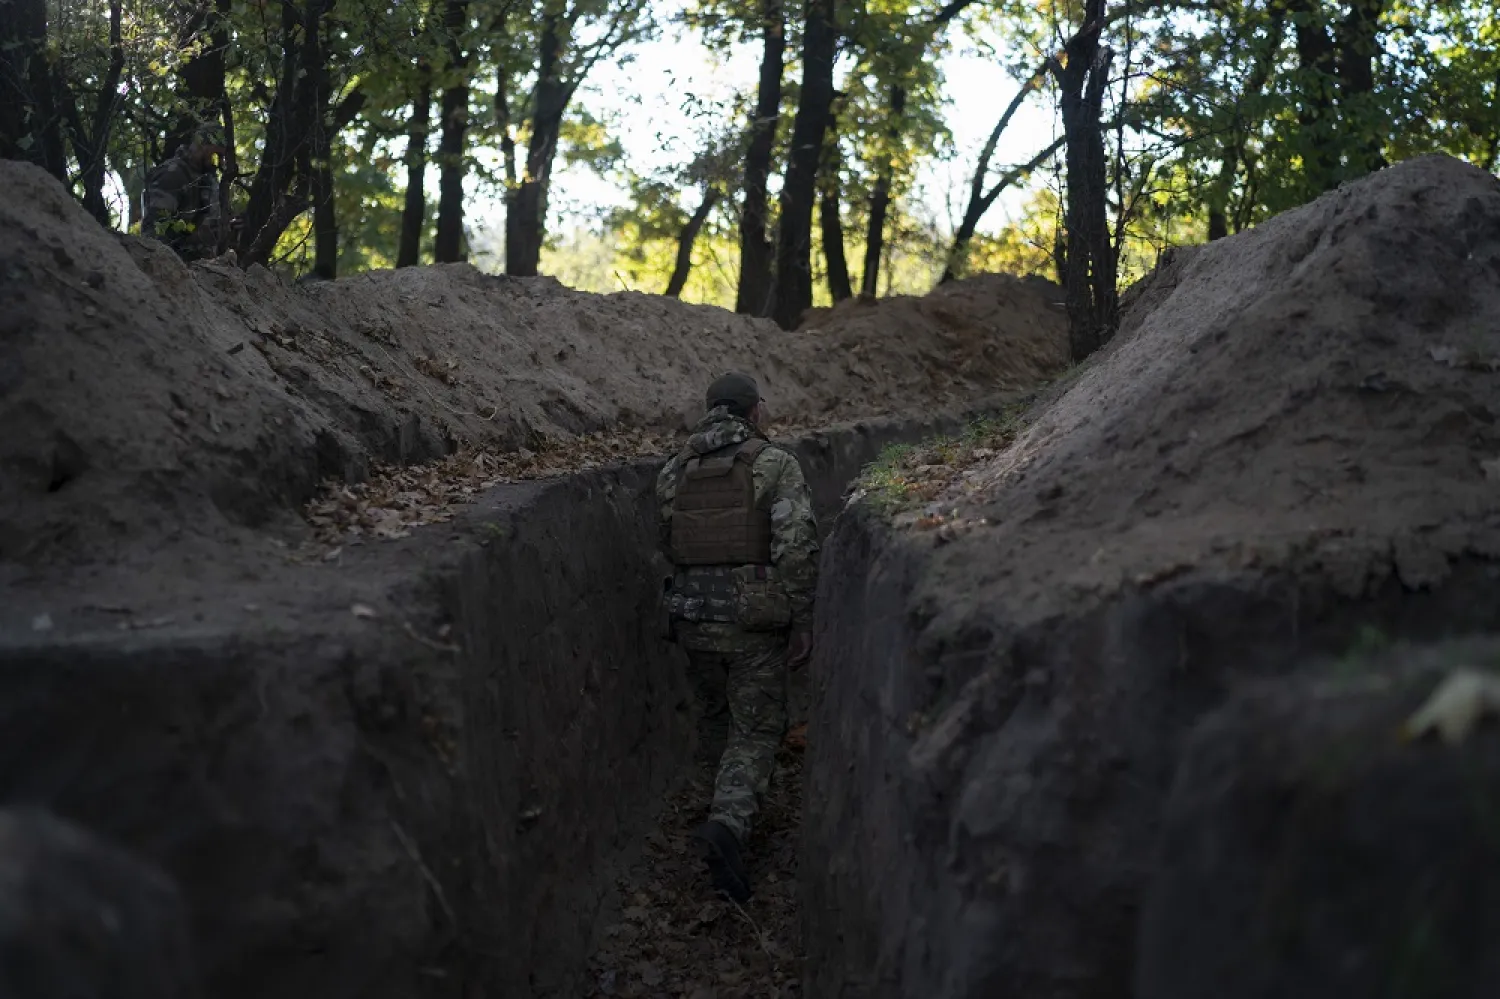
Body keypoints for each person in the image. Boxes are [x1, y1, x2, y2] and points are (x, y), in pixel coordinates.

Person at [656, 371, 819, 901]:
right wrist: (802, 619)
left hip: (692, 618)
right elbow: (795, 547)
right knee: (755, 730)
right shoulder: (774, 463)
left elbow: (668, 540)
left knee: (715, 720)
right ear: (754, 412)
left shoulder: (673, 470)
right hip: (753, 622)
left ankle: (712, 813)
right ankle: (728, 825)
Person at [141, 123, 227, 261]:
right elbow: (154, 234)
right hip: (170, 268)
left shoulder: (207, 179)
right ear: (203, 145)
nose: (219, 162)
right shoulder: (172, 175)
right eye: (217, 155)